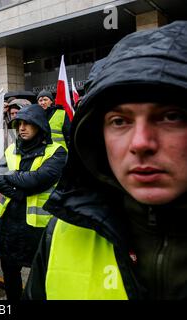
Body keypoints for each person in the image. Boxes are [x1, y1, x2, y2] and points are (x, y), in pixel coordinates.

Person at [24, 21, 187, 300]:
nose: (140, 143)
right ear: (97, 136)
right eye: (120, 121)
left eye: (171, 116)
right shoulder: (63, 232)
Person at [0, 105, 66, 300]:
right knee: (9, 271)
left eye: (27, 123)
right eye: (19, 124)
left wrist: (12, 175)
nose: (22, 128)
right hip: (9, 224)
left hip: (37, 230)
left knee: (40, 278)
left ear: (39, 126)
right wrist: (19, 194)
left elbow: (36, 180)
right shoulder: (11, 149)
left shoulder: (57, 152)